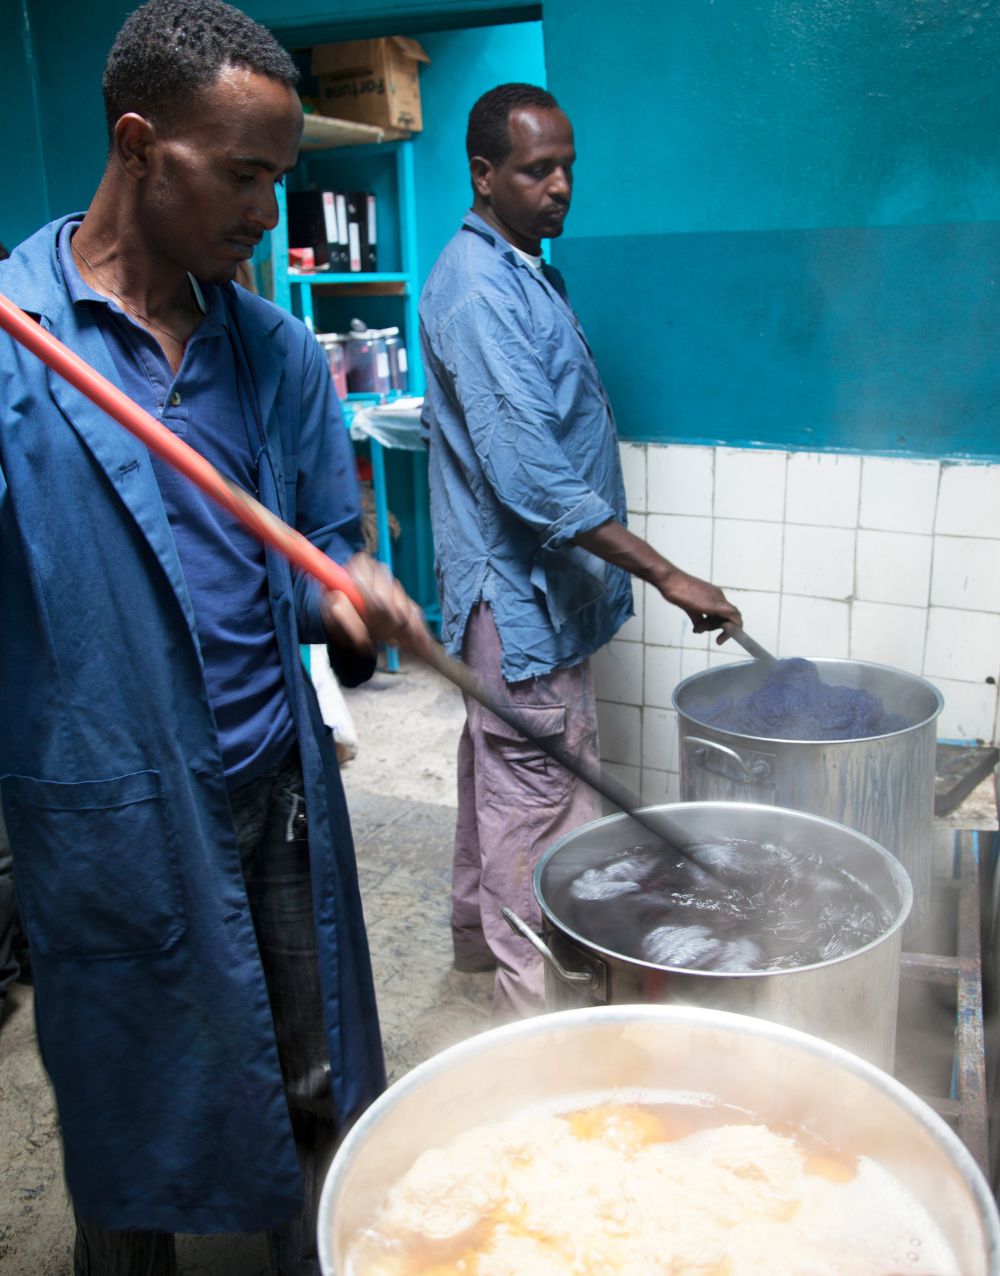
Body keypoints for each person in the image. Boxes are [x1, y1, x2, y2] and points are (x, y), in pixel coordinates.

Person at [0, 2, 426, 1272]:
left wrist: (349, 600)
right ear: (139, 145)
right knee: (121, 1103)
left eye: (280, 177)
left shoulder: (280, 356)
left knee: (312, 1075)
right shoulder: (18, 351)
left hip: (277, 788)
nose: (265, 209)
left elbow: (310, 571)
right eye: (242, 175)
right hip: (109, 806)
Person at [419, 83, 742, 1018]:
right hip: (520, 604)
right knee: (542, 807)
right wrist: (669, 574)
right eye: (536, 169)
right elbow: (531, 480)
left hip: (530, 598)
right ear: (484, 174)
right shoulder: (481, 291)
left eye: (568, 167)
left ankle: (475, 947)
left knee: (503, 770)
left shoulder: (522, 269)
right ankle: (539, 1017)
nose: (560, 186)